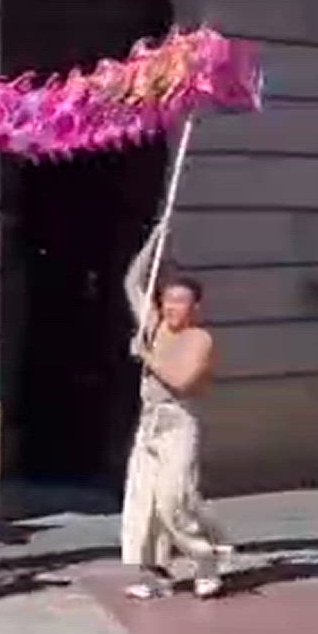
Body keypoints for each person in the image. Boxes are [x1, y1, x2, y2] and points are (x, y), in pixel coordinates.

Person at [119, 231, 230, 600]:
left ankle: (206, 560)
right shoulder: (155, 326)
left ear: (195, 306)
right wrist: (155, 239)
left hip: (178, 423)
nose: (171, 307)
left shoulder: (200, 339)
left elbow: (182, 381)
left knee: (174, 500)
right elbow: (132, 282)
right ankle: (156, 574)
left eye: (180, 301)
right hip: (149, 422)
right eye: (167, 299)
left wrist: (146, 356)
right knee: (144, 505)